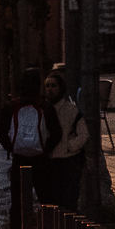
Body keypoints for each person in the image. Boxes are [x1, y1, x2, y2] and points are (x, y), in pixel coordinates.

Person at [0, 70, 59, 229]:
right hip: (41, 160)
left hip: (19, 160)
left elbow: (1, 133)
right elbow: (57, 133)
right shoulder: (45, 106)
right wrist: (46, 149)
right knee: (47, 201)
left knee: (17, 202)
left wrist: (13, 148)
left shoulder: (10, 106)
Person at [42, 72, 89, 211]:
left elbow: (84, 134)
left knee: (69, 202)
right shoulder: (42, 110)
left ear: (61, 88)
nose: (50, 89)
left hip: (68, 161)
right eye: (47, 86)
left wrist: (69, 147)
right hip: (50, 162)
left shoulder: (71, 109)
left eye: (53, 86)